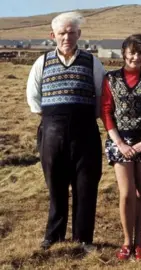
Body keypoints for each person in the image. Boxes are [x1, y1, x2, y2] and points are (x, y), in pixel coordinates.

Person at [26, 12, 105, 252]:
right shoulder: (42, 62)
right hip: (52, 132)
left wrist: (83, 117)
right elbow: (33, 97)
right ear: (53, 35)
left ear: (79, 34)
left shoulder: (93, 62)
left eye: (71, 32)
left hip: (86, 133)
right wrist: (54, 118)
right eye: (62, 33)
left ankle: (83, 239)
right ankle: (54, 236)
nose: (67, 37)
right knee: (56, 186)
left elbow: (101, 96)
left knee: (86, 185)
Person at [100, 34, 141, 261]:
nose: (135, 56)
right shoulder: (111, 79)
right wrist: (119, 143)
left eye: (140, 52)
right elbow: (106, 111)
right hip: (120, 142)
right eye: (131, 52)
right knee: (127, 193)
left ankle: (139, 242)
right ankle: (127, 241)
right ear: (124, 53)